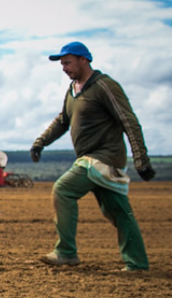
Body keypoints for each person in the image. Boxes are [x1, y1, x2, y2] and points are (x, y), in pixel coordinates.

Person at [31, 41, 155, 271]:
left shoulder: (105, 86)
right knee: (120, 212)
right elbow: (62, 121)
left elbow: (129, 121)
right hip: (92, 161)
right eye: (61, 64)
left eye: (67, 62)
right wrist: (41, 142)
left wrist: (141, 158)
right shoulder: (72, 91)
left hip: (102, 159)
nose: (64, 68)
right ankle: (137, 263)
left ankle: (66, 252)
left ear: (83, 60)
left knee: (63, 189)